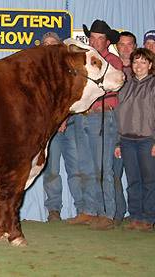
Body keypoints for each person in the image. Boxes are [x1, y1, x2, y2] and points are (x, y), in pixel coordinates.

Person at [68, 20, 123, 230]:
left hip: (102, 116)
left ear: (107, 42)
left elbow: (114, 86)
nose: (95, 42)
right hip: (83, 116)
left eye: (100, 39)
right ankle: (91, 211)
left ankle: (108, 213)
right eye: (92, 38)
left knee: (103, 167)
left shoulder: (113, 62)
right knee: (87, 166)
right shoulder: (86, 61)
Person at [40, 32, 83, 222]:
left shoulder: (71, 69)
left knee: (76, 168)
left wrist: (64, 116)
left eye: (53, 43)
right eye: (45, 44)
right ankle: (54, 210)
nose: (49, 46)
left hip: (70, 122)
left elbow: (77, 96)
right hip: (51, 127)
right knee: (51, 170)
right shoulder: (39, 73)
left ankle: (83, 209)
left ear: (60, 47)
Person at [115, 48, 155, 232]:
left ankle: (148, 217)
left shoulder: (153, 85)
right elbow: (119, 115)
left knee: (149, 180)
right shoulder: (125, 85)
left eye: (143, 62)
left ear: (150, 65)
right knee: (132, 180)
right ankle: (135, 216)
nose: (138, 65)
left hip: (147, 139)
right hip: (127, 139)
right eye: (135, 62)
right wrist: (118, 141)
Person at [113, 31, 137, 225]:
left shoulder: (143, 71)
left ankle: (140, 216)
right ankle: (118, 213)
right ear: (117, 46)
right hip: (115, 127)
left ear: (135, 47)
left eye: (130, 44)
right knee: (114, 173)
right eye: (122, 44)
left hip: (138, 130)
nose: (126, 48)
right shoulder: (112, 69)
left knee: (137, 175)